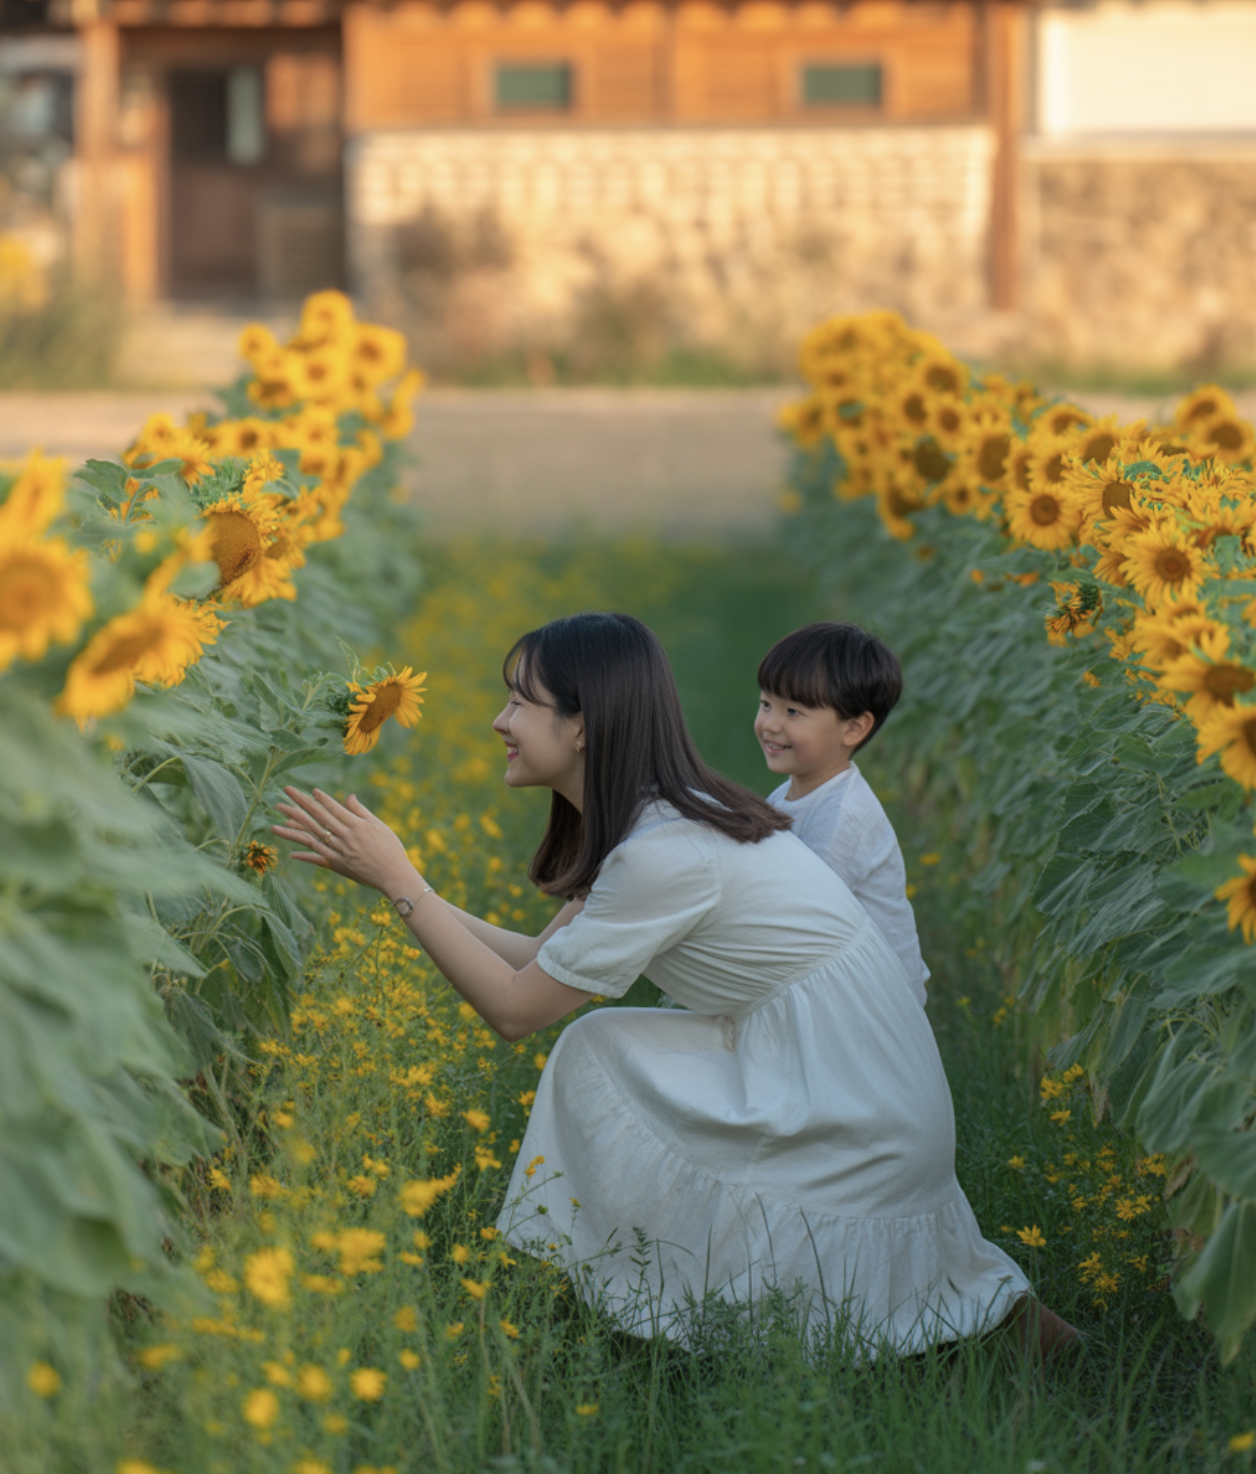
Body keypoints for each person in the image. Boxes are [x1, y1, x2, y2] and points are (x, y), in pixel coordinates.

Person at [272, 611, 1075, 1361]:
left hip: (851, 1087)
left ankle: (617, 1291)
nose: (500, 722)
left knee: (600, 1049)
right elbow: (533, 965)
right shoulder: (651, 824)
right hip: (824, 1059)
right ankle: (635, 1289)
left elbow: (516, 1011)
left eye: (521, 701)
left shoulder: (662, 852)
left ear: (582, 725)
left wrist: (403, 881)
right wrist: (399, 886)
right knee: (606, 1045)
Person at [754, 622, 929, 1006]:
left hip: (877, 1002)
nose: (770, 723)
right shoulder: (787, 794)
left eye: (793, 711)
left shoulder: (842, 818)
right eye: (766, 703)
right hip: (836, 979)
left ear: (853, 728)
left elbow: (798, 918)